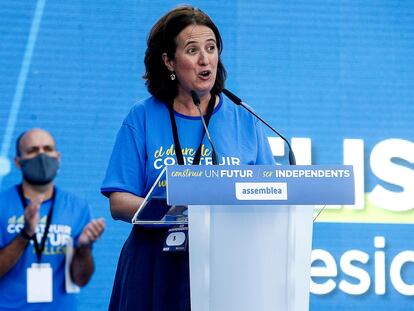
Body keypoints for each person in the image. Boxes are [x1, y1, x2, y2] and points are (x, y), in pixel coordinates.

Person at [101, 5, 275, 311]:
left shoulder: (245, 121)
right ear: (169, 60)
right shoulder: (141, 117)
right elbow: (118, 201)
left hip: (225, 265)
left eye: (211, 48)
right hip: (153, 266)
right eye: (192, 50)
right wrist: (175, 209)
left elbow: (270, 195)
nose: (204, 59)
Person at [0, 128, 105, 311]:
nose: (42, 155)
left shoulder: (77, 207)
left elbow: (80, 279)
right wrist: (25, 233)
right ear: (18, 162)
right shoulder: (2, 204)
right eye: (32, 150)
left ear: (58, 157)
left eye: (47, 149)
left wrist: (83, 249)